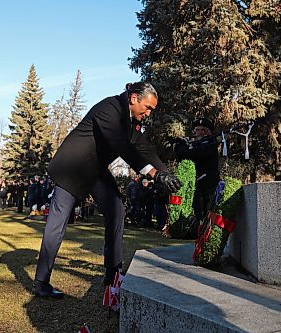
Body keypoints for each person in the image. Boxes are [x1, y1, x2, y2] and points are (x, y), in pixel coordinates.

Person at [34, 82, 182, 299]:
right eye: (147, 108)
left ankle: (113, 274)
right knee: (58, 224)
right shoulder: (109, 108)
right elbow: (123, 146)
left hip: (94, 170)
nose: (149, 113)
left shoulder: (132, 122)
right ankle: (41, 282)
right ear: (133, 98)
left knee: (117, 211)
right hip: (71, 168)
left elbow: (144, 149)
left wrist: (166, 173)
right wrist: (154, 174)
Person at [174, 118, 221, 223]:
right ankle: (201, 236)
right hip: (199, 184)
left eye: (199, 129)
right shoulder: (197, 145)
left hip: (209, 184)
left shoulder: (210, 144)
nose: (195, 132)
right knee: (200, 215)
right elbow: (183, 157)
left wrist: (183, 148)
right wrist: (179, 146)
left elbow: (195, 154)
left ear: (205, 131)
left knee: (211, 213)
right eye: (196, 130)